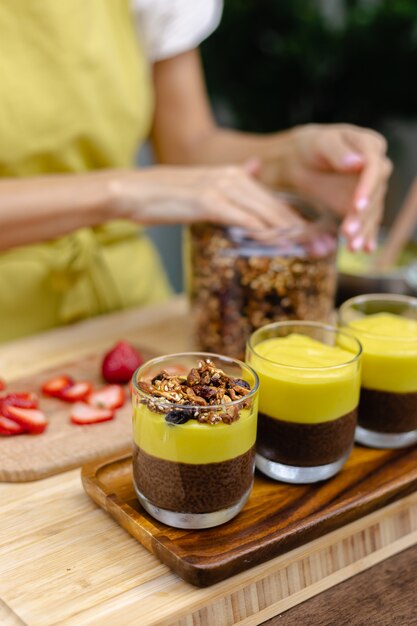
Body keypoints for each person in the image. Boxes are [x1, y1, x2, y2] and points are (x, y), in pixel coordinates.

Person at [0, 0, 392, 342]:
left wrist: (288, 160)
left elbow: (187, 147)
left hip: (131, 313)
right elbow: (155, 185)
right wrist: (125, 191)